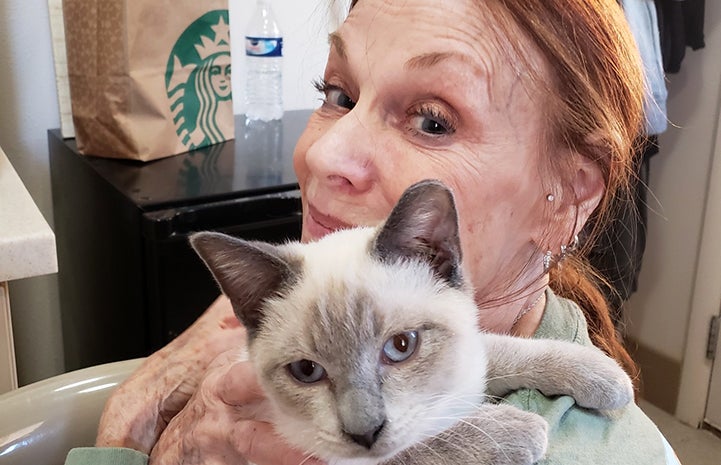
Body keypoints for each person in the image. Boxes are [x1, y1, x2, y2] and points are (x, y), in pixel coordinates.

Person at [65, 0, 682, 464]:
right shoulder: (326, 307)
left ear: (569, 196)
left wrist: (124, 427)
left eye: (433, 121)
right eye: (337, 92)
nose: (326, 153)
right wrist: (142, 400)